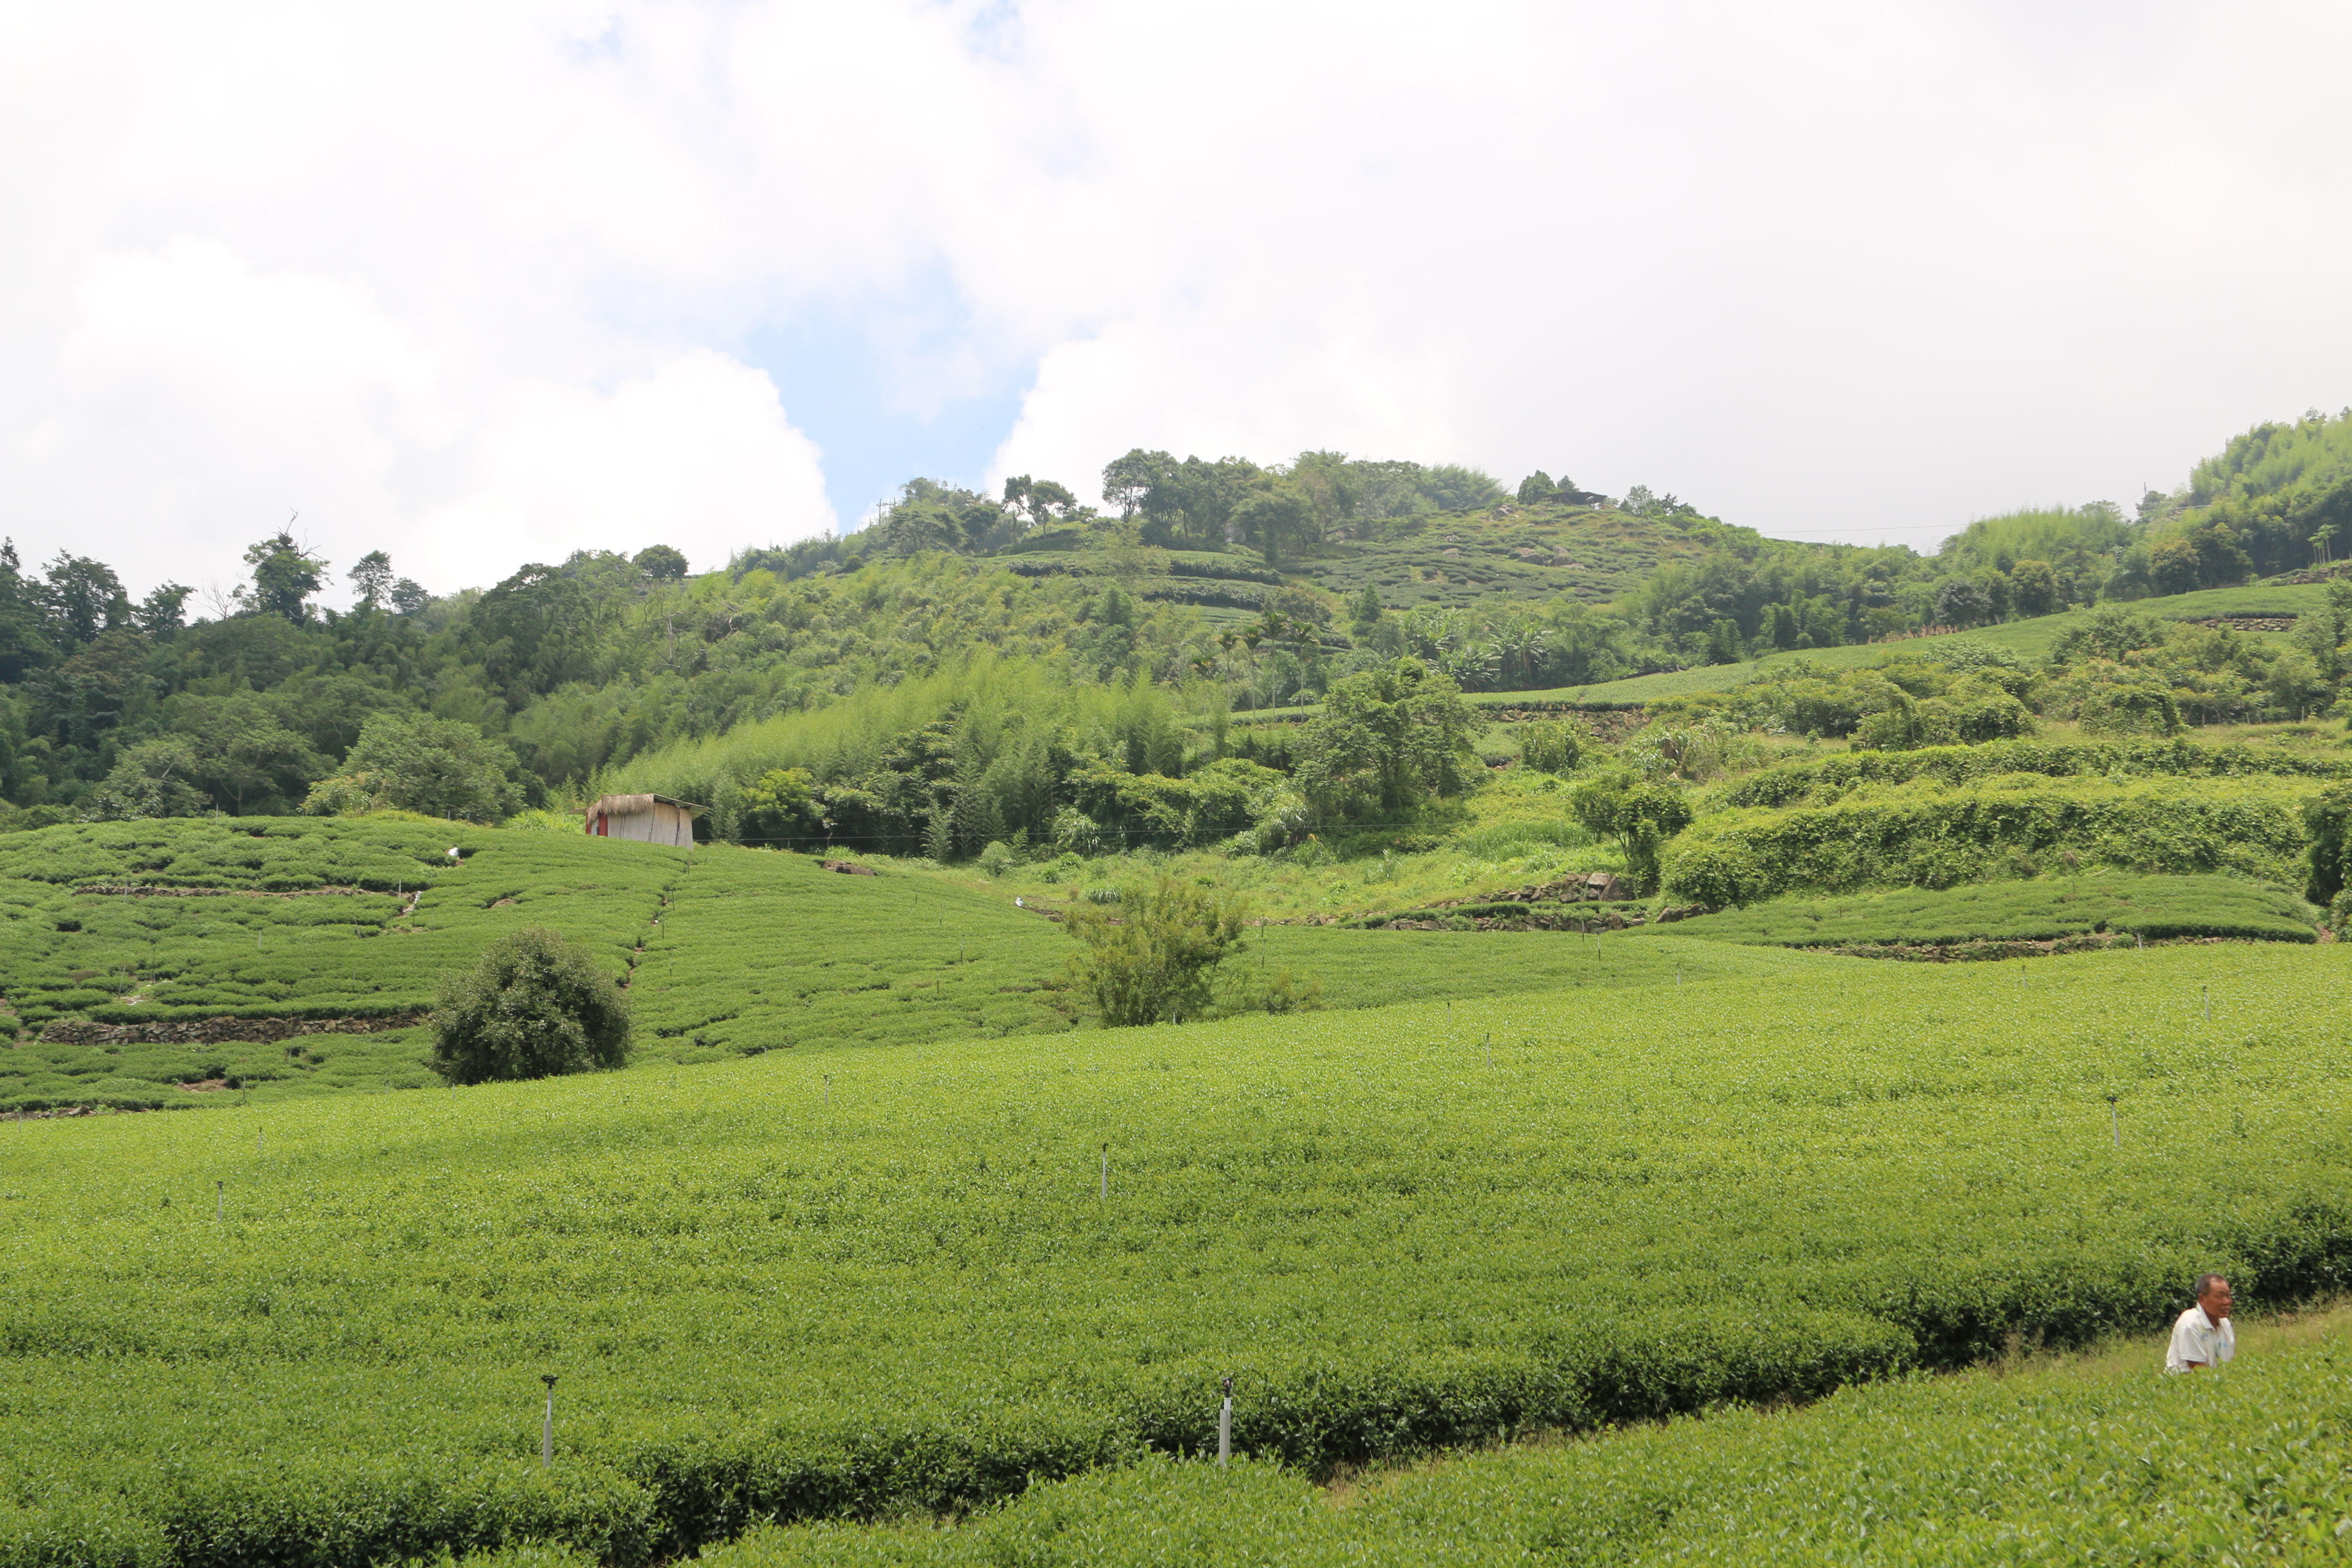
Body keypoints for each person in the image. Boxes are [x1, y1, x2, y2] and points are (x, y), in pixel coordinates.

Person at [2164, 1274, 2234, 1373]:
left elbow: (2228, 1366)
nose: (2226, 1302)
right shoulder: (2190, 1325)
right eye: (2220, 1297)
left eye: (2228, 1296)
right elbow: (2200, 1374)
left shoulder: (2225, 1324)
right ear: (2202, 1299)